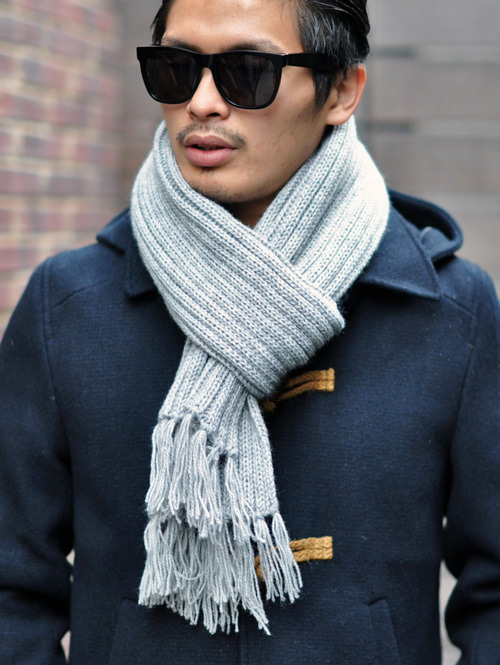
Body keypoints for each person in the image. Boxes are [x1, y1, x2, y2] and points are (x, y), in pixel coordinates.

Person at [0, 0, 499, 663]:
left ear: (340, 91)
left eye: (247, 72)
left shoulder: (450, 311)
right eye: (176, 68)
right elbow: (11, 591)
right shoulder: (67, 307)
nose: (202, 102)